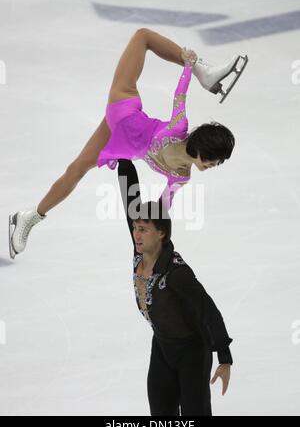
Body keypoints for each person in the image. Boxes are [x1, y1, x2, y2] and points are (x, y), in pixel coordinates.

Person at [9, 28, 247, 258]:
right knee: (143, 36)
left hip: (121, 139)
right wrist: (188, 66)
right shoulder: (178, 128)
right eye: (214, 159)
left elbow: (161, 208)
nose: (214, 165)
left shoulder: (181, 176)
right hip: (124, 108)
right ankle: (203, 71)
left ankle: (29, 216)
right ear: (203, 148)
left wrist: (154, 238)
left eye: (218, 163)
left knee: (77, 169)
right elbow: (180, 95)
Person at [117, 158, 233, 416]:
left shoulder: (177, 273)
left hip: (192, 353)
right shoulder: (141, 250)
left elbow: (208, 309)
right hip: (161, 347)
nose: (136, 234)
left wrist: (224, 357)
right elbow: (130, 198)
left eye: (143, 229)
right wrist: (124, 156)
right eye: (135, 228)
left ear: (161, 234)